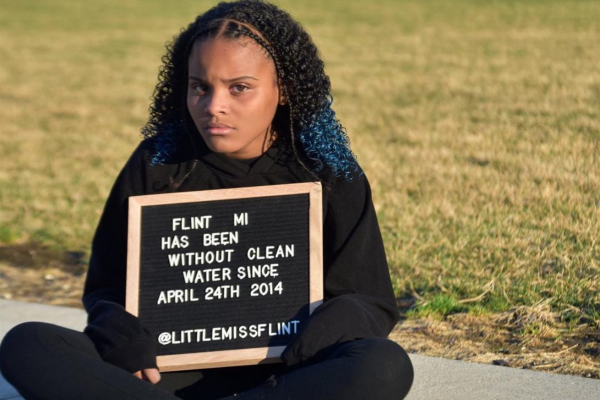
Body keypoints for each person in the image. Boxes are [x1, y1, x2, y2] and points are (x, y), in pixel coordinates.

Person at [0, 1, 414, 399]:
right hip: (164, 372)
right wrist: (125, 342)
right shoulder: (158, 162)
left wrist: (307, 345)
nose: (214, 106)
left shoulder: (327, 170)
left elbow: (369, 301)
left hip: (288, 376)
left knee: (385, 364)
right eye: (200, 87)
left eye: (239, 88)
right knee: (29, 343)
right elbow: (107, 287)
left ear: (284, 89)